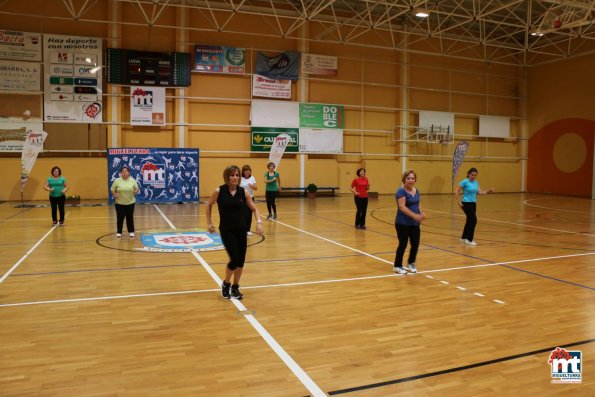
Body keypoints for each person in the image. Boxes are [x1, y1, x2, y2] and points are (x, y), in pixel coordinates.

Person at [206, 165, 263, 300]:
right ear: (227, 177)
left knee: (241, 261)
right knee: (234, 259)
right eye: (232, 175)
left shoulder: (244, 192)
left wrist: (259, 222)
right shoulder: (219, 191)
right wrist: (209, 222)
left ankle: (235, 287)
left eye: (237, 175)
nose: (235, 177)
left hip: (241, 230)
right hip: (227, 230)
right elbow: (209, 205)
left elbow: (255, 209)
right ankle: (226, 283)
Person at [393, 170, 425, 274]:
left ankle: (411, 262)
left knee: (415, 243)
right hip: (402, 223)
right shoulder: (401, 191)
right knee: (403, 244)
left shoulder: (417, 190)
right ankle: (397, 266)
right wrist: (415, 216)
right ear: (404, 180)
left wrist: (421, 213)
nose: (411, 180)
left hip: (414, 224)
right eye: (408, 178)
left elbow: (418, 203)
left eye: (412, 178)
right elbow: (402, 207)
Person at [455, 167, 495, 246]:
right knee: (473, 220)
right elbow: (457, 190)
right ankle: (469, 240)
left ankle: (463, 237)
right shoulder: (464, 182)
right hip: (465, 203)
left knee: (469, 220)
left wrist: (488, 191)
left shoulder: (476, 182)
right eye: (472, 175)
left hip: (473, 204)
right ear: (469, 174)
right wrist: (458, 201)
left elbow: (480, 192)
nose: (473, 177)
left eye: (475, 175)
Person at [110, 165, 140, 239]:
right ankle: (119, 232)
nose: (124, 173)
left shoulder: (132, 180)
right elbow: (112, 188)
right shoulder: (117, 180)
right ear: (121, 173)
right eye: (123, 171)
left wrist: (135, 191)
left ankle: (131, 231)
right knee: (120, 218)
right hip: (119, 203)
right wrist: (114, 194)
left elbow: (137, 188)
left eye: (126, 171)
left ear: (129, 172)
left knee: (130, 218)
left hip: (130, 203)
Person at [240, 165, 258, 236]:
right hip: (242, 198)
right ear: (243, 171)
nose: (248, 171)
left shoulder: (252, 178)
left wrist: (252, 186)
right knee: (242, 214)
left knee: (249, 214)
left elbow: (256, 188)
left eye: (249, 170)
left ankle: (247, 229)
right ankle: (241, 229)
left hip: (250, 198)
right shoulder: (240, 178)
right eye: (246, 170)